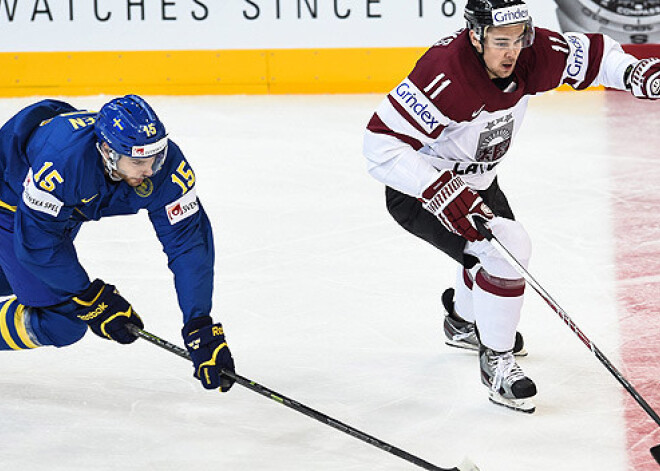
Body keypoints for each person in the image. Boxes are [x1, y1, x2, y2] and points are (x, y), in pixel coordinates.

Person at [362, 0, 660, 413]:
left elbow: (592, 56)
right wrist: (438, 189)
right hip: (419, 188)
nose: (512, 52)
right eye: (501, 42)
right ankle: (497, 363)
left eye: (519, 39)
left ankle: (464, 323)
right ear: (475, 36)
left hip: (480, 182)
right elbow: (380, 144)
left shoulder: (531, 53)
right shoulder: (445, 74)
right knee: (509, 249)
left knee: (493, 256)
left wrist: (632, 72)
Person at [0, 95, 235, 392]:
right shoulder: (63, 162)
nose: (150, 170)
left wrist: (198, 323)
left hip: (62, 211)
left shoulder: (166, 167)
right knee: (61, 321)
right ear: (108, 151)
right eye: (138, 161)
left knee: (14, 284)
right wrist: (89, 295)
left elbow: (189, 244)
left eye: (156, 157)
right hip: (10, 198)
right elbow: (38, 242)